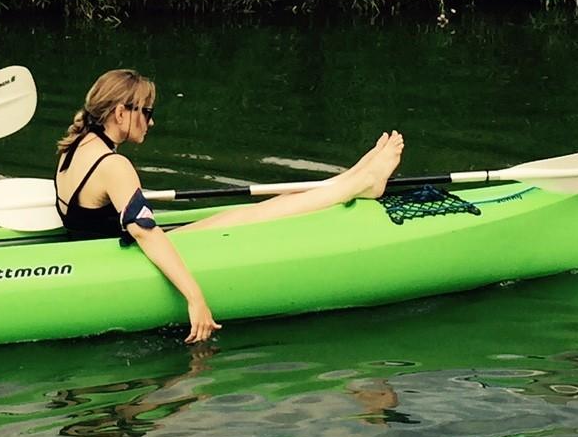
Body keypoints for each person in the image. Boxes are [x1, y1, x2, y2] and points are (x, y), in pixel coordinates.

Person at [54, 69, 405, 344]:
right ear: (119, 113)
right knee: (255, 216)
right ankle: (359, 182)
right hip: (121, 255)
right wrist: (196, 299)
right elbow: (145, 234)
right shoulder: (114, 166)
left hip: (99, 249)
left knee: (240, 214)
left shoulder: (74, 148)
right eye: (146, 112)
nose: (152, 120)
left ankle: (357, 177)